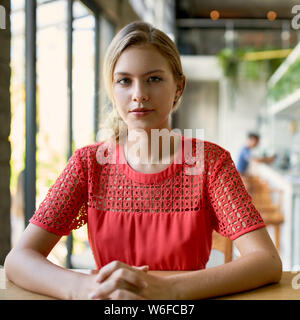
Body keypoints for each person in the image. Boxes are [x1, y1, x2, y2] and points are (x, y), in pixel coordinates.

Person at [4, 21, 282, 300]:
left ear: (178, 87)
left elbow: (267, 261)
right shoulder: (87, 164)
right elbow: (19, 259)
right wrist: (83, 288)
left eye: (154, 79)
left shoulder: (210, 162)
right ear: (112, 90)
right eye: (124, 80)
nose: (139, 94)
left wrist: (169, 289)